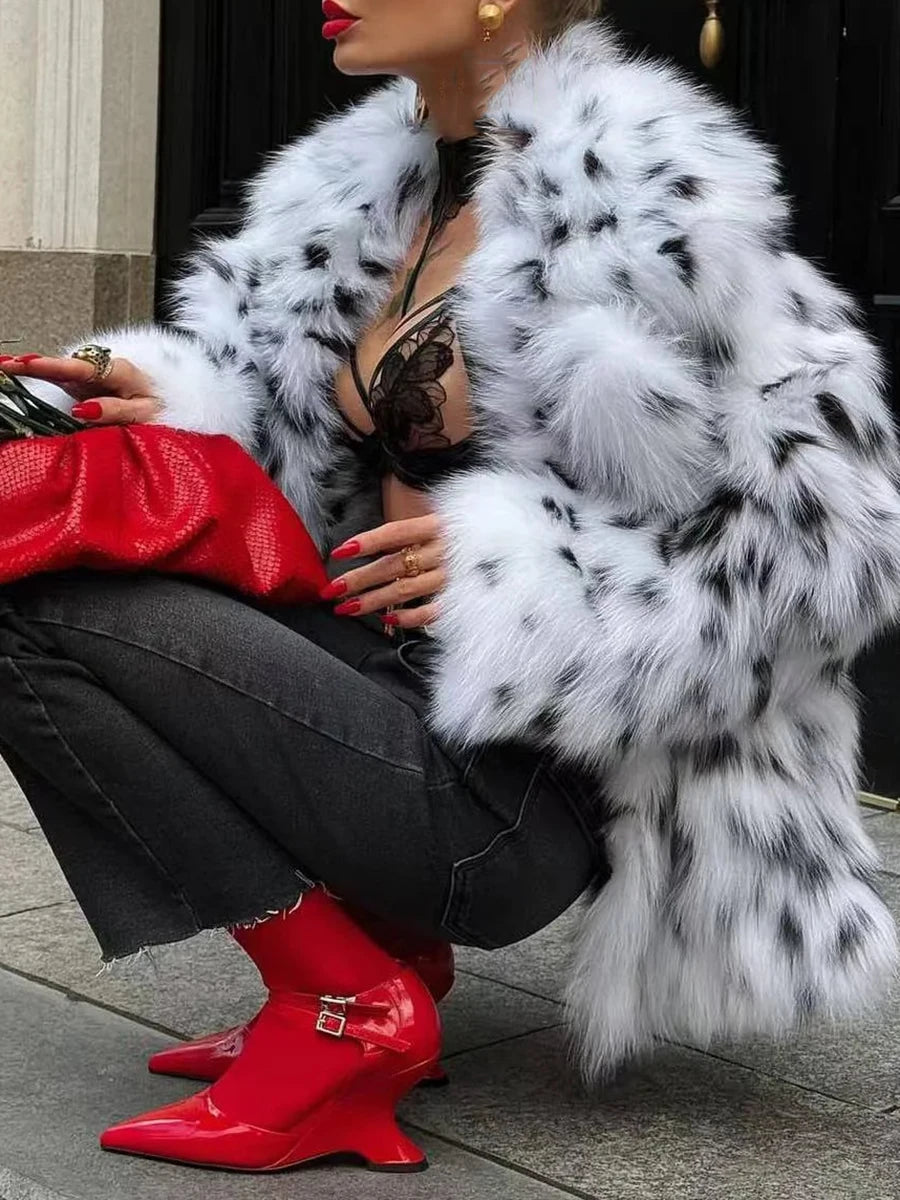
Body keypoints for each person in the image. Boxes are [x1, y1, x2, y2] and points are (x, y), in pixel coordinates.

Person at [1, 0, 899, 1175]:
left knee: (27, 616)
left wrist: (530, 576)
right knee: (38, 568)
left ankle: (345, 1004)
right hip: (378, 690)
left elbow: (836, 542)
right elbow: (299, 459)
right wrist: (181, 402)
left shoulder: (648, 202)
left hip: (516, 798)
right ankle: (382, 952)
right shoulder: (367, 197)